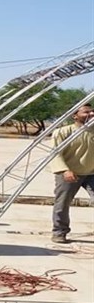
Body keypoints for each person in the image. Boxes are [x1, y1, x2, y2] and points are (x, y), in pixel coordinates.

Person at [49, 103, 94, 244]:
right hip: (69, 173)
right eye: (86, 112)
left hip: (91, 173)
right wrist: (65, 170)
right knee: (62, 203)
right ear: (75, 116)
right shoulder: (62, 132)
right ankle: (59, 232)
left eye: (92, 111)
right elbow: (55, 153)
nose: (91, 114)